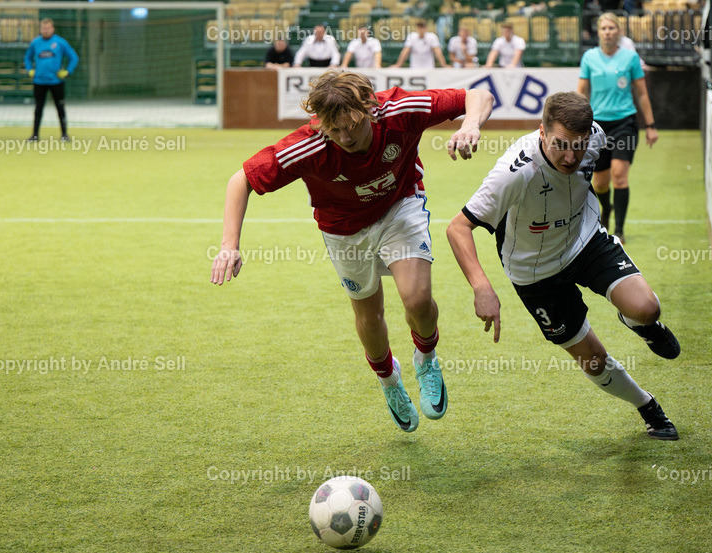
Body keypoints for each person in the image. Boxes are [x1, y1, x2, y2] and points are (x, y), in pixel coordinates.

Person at [211, 70, 494, 433]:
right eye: (334, 129)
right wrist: (228, 247)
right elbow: (242, 179)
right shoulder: (310, 144)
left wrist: (470, 124)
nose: (344, 138)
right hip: (343, 230)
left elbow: (479, 95)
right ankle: (390, 382)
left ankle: (426, 358)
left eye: (352, 127)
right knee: (369, 315)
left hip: (399, 207)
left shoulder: (398, 111)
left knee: (417, 299)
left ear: (369, 109)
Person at [445, 91, 680, 441]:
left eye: (579, 145)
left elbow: (593, 168)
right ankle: (647, 406)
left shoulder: (595, 137)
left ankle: (643, 326)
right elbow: (458, 227)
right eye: (560, 144)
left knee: (647, 308)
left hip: (584, 242)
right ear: (542, 132)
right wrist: (482, 287)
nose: (571, 156)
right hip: (534, 273)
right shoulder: (515, 173)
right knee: (594, 360)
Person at [577, 12, 658, 243]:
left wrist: (650, 125)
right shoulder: (589, 57)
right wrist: (576, 123)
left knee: (619, 176)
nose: (608, 32)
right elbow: (581, 92)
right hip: (598, 126)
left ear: (619, 31)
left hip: (625, 122)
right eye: (603, 28)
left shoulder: (630, 58)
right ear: (598, 32)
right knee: (600, 183)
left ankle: (619, 230)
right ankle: (606, 210)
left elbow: (642, 93)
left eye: (612, 28)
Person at [24, 18, 77, 142]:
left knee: (60, 108)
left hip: (56, 82)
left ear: (53, 29)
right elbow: (27, 58)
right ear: (40, 29)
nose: (45, 30)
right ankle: (35, 135)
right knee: (38, 109)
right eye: (43, 28)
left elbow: (74, 57)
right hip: (39, 82)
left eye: (48, 28)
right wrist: (29, 70)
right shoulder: (35, 43)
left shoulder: (60, 42)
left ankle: (64, 135)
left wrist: (68, 71)